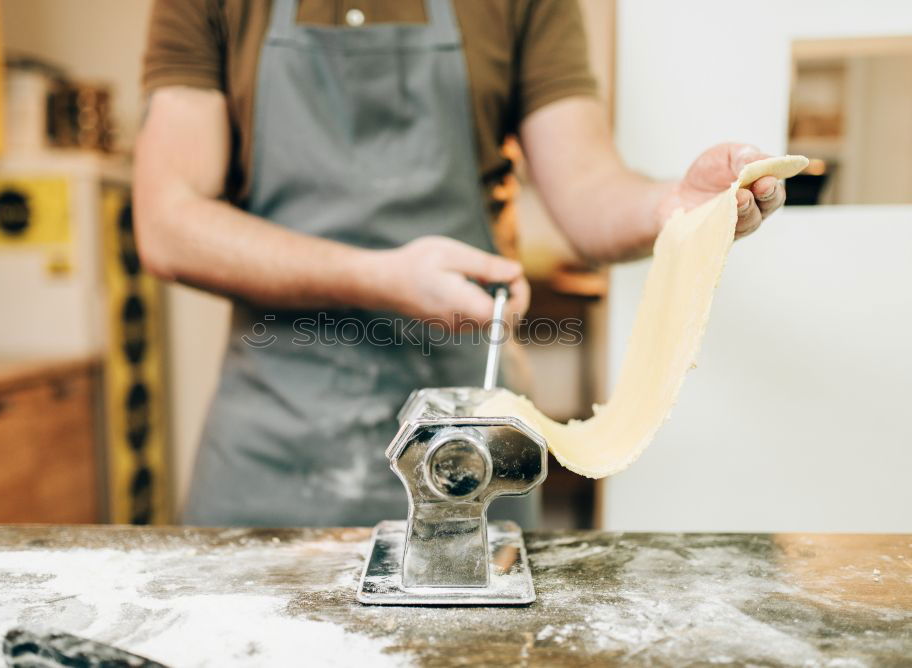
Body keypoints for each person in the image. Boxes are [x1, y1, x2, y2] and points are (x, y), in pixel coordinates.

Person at [134, 0, 788, 527]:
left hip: (473, 442)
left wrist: (673, 207)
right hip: (274, 445)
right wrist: (381, 279)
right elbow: (168, 223)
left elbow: (587, 190)